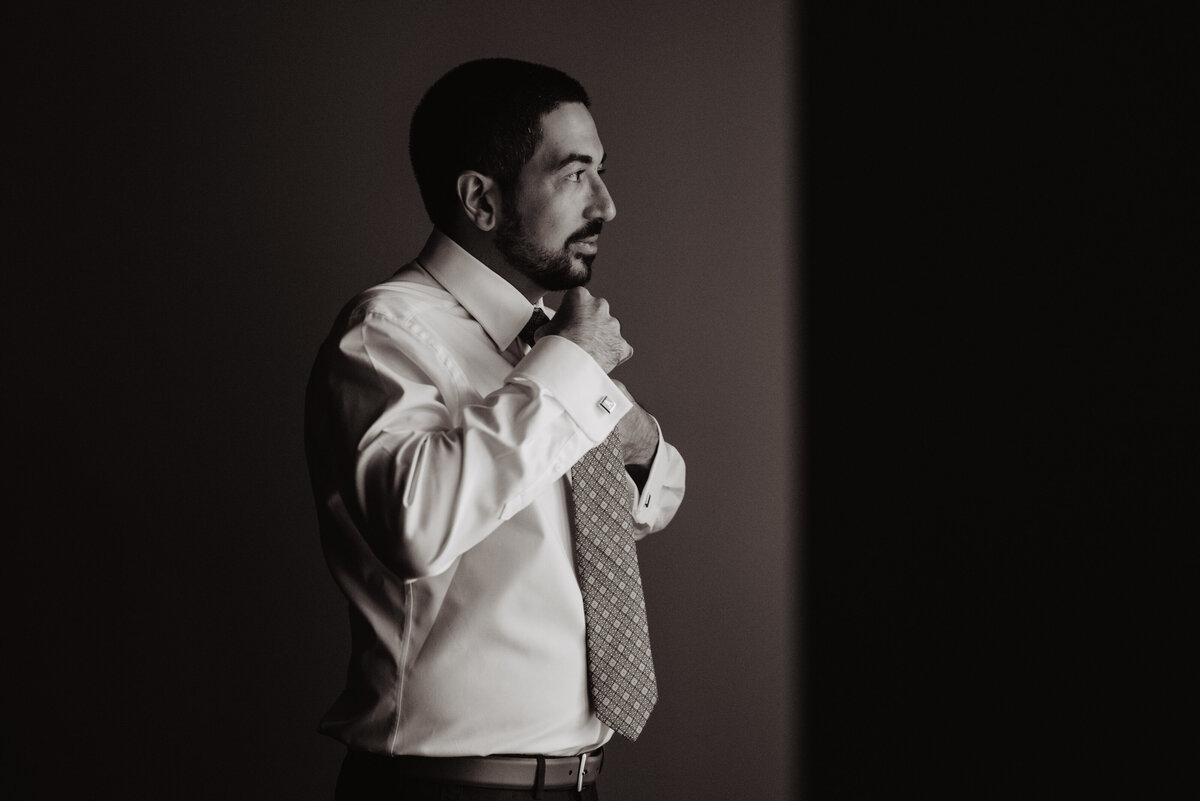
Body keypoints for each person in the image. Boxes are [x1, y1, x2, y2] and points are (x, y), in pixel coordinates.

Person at [305, 58, 686, 800]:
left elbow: (648, 502)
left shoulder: (545, 344)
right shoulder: (386, 331)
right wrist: (572, 370)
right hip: (444, 788)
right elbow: (416, 523)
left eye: (602, 171)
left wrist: (636, 437)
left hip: (578, 784)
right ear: (481, 198)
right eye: (576, 173)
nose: (607, 205)